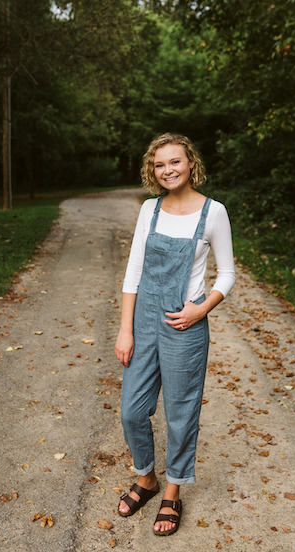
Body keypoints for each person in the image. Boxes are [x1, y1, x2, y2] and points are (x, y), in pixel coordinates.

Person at [113, 133, 234, 536]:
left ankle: (172, 492)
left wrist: (202, 307)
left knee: (181, 415)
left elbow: (229, 273)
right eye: (160, 164)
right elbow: (133, 272)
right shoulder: (149, 209)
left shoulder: (213, 212)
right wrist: (125, 330)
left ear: (190, 164)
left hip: (186, 326)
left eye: (175, 162)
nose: (168, 170)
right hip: (144, 322)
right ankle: (146, 478)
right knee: (132, 410)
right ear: (153, 169)